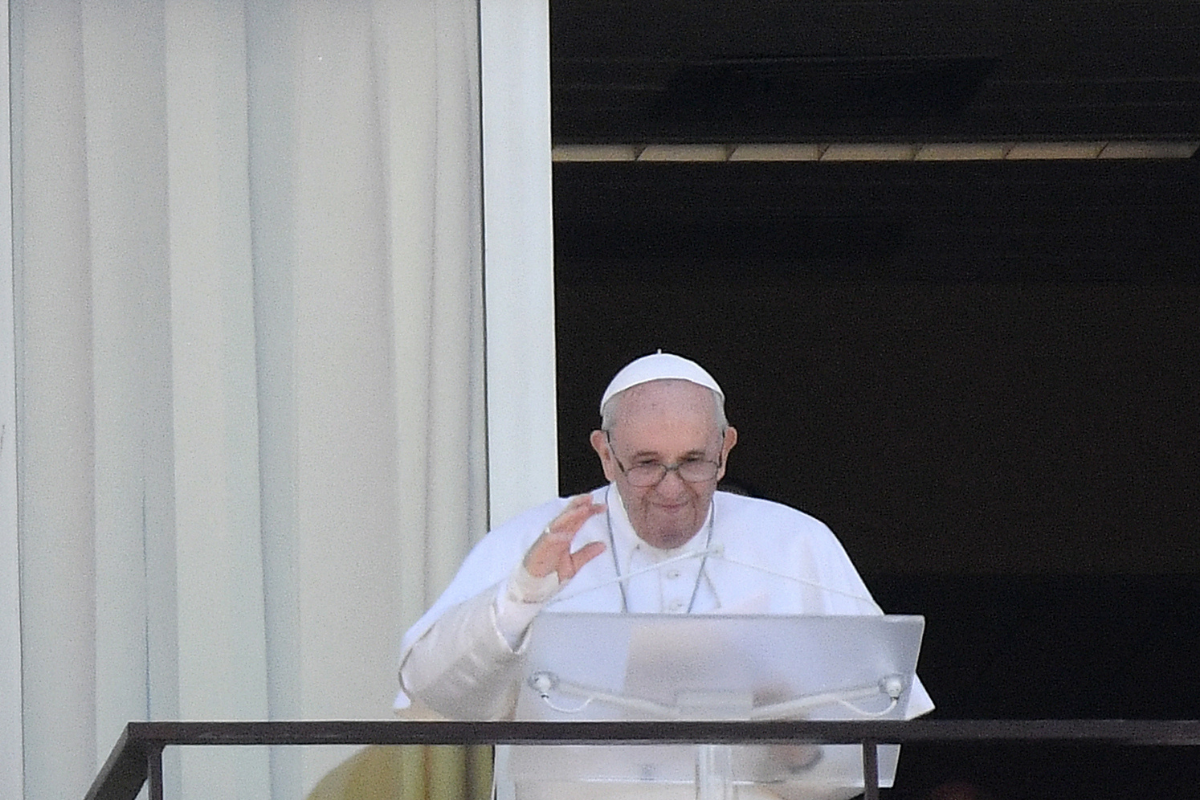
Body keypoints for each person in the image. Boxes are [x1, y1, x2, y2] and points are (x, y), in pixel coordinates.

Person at [396, 351, 933, 723]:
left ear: (725, 449)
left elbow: (877, 708)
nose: (671, 488)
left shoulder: (796, 543)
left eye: (694, 462)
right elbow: (432, 685)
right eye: (646, 464)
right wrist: (521, 597)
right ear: (606, 455)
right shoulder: (538, 541)